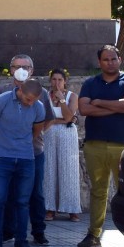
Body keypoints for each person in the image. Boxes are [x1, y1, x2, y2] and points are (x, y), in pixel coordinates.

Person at [77, 45, 124, 247]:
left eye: (113, 59)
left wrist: (99, 102)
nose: (110, 63)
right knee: (98, 191)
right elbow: (84, 109)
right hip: (94, 145)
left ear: (120, 59)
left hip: (123, 147)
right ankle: (94, 234)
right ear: (99, 62)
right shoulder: (90, 83)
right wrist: (117, 106)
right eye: (106, 59)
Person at [0, 55, 55, 246]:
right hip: (6, 154)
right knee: (8, 194)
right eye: (17, 66)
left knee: (35, 193)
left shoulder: (41, 93)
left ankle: (38, 231)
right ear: (10, 69)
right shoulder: (1, 92)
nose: (21, 70)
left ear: (32, 70)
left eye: (25, 67)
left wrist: (32, 136)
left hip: (33, 152)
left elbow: (48, 119)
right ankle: (8, 231)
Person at [0, 79, 47, 247]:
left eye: (34, 100)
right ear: (19, 90)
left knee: (23, 201)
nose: (30, 103)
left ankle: (21, 241)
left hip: (26, 158)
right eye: (28, 99)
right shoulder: (0, 101)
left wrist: (22, 143)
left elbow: (37, 130)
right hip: (1, 157)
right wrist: (1, 142)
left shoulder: (38, 107)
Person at [43, 69, 81, 222]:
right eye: (54, 79)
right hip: (49, 134)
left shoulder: (72, 96)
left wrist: (62, 100)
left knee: (68, 170)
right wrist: (59, 121)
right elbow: (44, 119)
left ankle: (71, 208)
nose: (57, 83)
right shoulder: (45, 96)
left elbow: (69, 117)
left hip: (67, 135)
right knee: (49, 169)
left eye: (60, 79)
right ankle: (49, 208)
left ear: (65, 81)